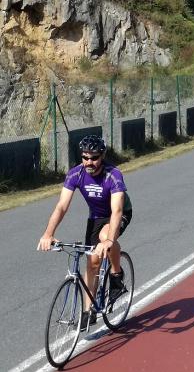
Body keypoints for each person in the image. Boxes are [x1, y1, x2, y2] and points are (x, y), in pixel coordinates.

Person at [37, 135, 133, 329]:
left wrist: (108, 241)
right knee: (92, 263)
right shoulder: (76, 174)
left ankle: (116, 276)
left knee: (105, 238)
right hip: (96, 217)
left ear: (103, 155)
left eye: (94, 157)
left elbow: (117, 211)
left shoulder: (113, 174)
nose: (89, 162)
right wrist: (48, 234)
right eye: (85, 157)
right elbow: (61, 207)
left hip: (119, 213)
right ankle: (88, 312)